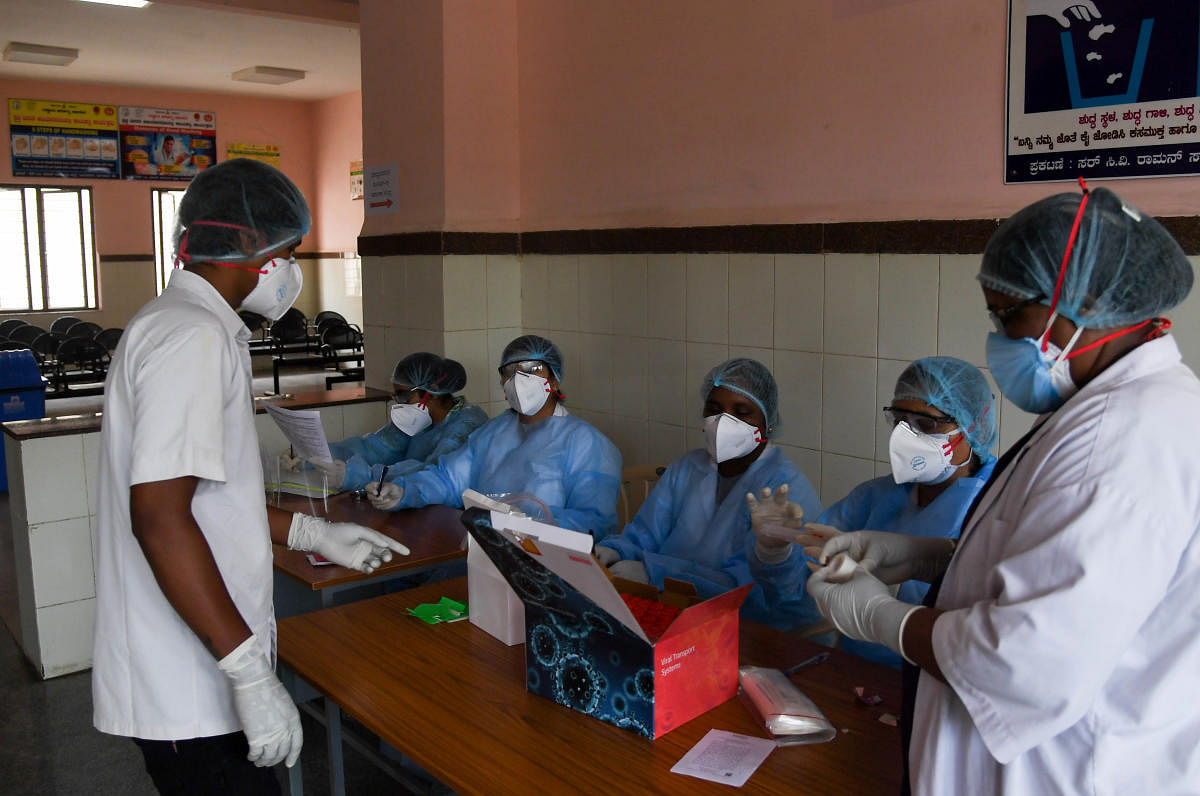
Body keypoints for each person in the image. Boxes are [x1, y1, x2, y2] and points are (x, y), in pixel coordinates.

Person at [804, 183, 1200, 793]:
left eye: (1010, 313)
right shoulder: (1111, 409)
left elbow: (1030, 663)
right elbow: (1045, 553)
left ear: (1086, 302)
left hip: (1068, 772)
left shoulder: (1119, 442)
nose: (1000, 333)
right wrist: (920, 553)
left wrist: (885, 620)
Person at [91, 158, 409, 794]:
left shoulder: (189, 325)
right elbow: (158, 517)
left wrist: (310, 535)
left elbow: (204, 500)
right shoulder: (191, 338)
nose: (292, 269)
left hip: (198, 669)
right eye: (289, 251)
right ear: (243, 244)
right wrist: (248, 675)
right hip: (194, 685)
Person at [757, 357, 997, 667]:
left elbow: (986, 635)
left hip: (935, 686)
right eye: (900, 421)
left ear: (972, 427)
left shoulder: (995, 508)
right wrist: (776, 552)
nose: (905, 436)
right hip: (857, 675)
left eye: (926, 424)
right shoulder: (876, 498)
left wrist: (888, 596)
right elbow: (801, 596)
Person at [595, 358, 822, 629]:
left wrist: (654, 572)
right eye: (715, 410)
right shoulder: (687, 468)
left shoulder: (784, 490)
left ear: (767, 422)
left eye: (741, 412)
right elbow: (646, 533)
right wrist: (613, 550)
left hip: (753, 629)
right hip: (673, 609)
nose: (724, 422)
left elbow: (754, 591)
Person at [369, 335, 622, 540]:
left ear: (554, 381)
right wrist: (406, 491)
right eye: (510, 371)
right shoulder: (494, 431)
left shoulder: (587, 444)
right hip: (483, 552)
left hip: (545, 564)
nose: (519, 379)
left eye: (532, 370)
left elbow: (596, 522)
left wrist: (530, 527)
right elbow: (448, 479)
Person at [286, 352, 487, 493]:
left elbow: (431, 474)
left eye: (402, 395)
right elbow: (373, 447)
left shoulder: (466, 426)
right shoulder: (419, 419)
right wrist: (318, 454)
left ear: (430, 393)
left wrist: (356, 475)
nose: (396, 402)